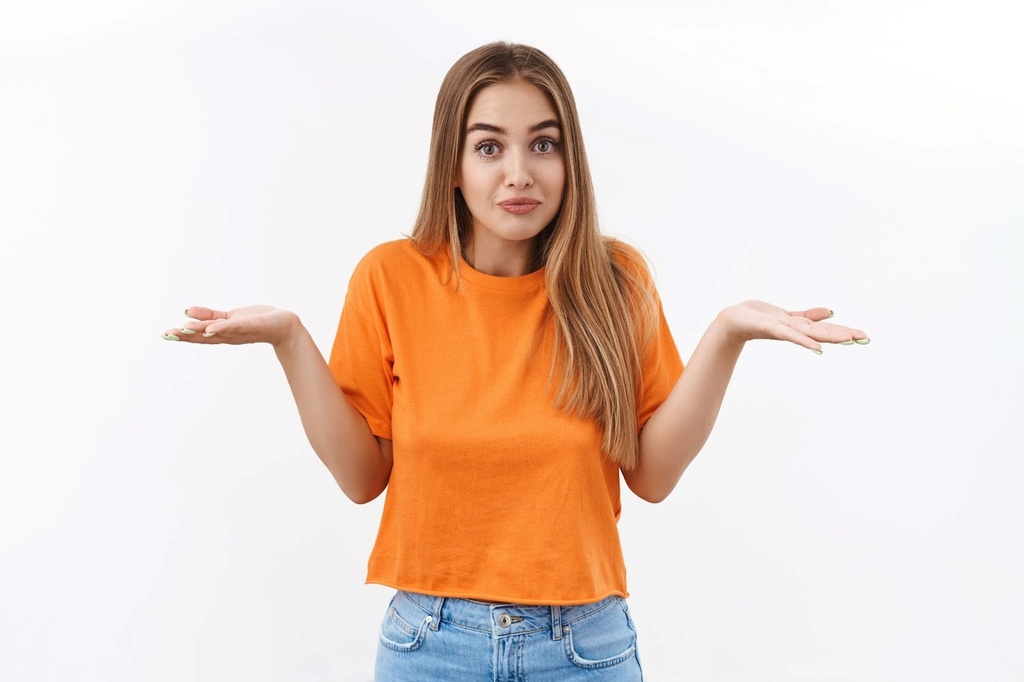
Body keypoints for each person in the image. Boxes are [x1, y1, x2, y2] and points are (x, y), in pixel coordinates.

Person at [162, 42, 868, 681]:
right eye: (490, 147)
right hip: (429, 646)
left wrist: (726, 336)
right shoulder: (390, 278)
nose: (520, 173)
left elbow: (652, 476)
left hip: (584, 649)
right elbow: (360, 477)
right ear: (454, 163)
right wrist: (290, 340)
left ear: (570, 160)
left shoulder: (615, 282)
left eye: (544, 144)